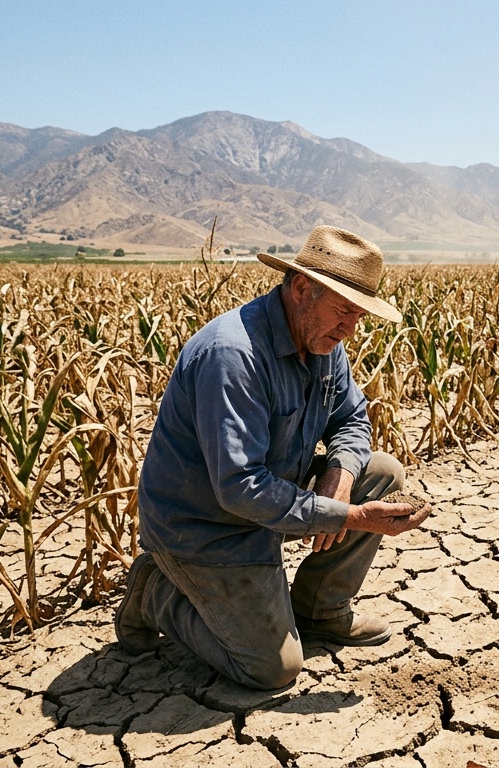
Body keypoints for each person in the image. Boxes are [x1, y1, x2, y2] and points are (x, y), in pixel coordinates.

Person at [114, 225, 430, 690]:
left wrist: (340, 475)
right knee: (272, 669)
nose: (350, 329)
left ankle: (319, 610)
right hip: (206, 530)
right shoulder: (233, 355)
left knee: (381, 472)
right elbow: (240, 487)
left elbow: (354, 417)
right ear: (301, 287)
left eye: (359, 316)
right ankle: (156, 593)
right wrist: (350, 515)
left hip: (267, 506)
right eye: (344, 310)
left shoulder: (323, 342)